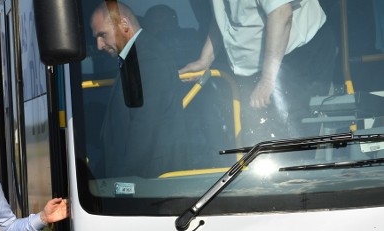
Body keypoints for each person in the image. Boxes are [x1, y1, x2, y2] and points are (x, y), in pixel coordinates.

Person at [179, 0, 336, 138]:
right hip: (256, 68)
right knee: (256, 131)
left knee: (292, 131)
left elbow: (282, 14)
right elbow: (224, 14)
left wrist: (267, 80)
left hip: (297, 54)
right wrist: (205, 59)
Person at [91, 1, 188, 178]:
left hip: (148, 183)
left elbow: (144, 130)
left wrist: (122, 183)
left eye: (102, 35)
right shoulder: (139, 56)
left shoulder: (147, 61)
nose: (99, 45)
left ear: (125, 25)